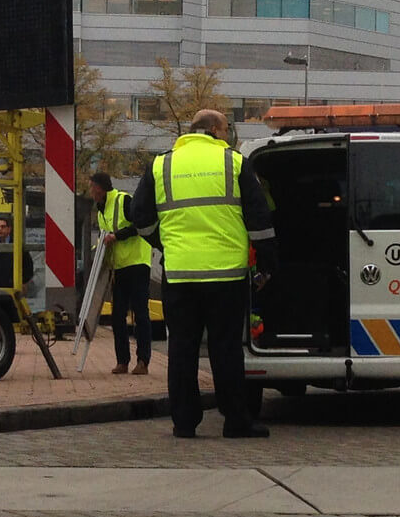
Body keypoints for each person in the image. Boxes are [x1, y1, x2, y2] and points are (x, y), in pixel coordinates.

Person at [132, 109, 278, 439]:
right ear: (213, 129)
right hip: (226, 276)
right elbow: (260, 219)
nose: (228, 135)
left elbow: (139, 218)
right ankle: (235, 421)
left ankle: (184, 422)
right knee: (225, 349)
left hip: (181, 275)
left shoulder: (161, 165)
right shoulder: (234, 163)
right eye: (226, 129)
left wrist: (166, 242)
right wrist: (267, 265)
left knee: (182, 348)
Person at [90, 171, 153, 376]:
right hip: (119, 267)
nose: (91, 192)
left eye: (93, 188)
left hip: (136, 263)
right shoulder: (100, 211)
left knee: (140, 314)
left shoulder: (123, 200)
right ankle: (122, 361)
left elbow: (138, 226)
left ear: (100, 188)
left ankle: (143, 361)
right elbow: (105, 239)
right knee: (117, 315)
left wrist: (116, 236)